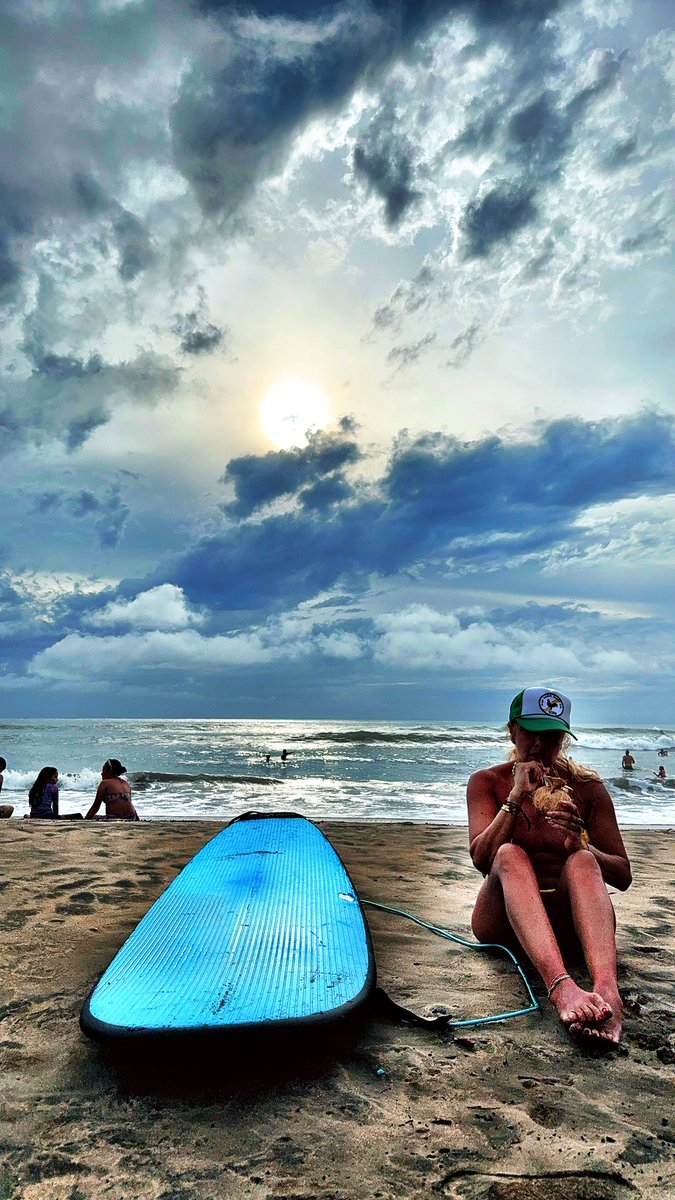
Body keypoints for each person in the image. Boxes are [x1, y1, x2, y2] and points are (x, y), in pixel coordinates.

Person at [467, 686, 631, 1048]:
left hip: (572, 927)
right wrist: (515, 797)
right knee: (509, 854)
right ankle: (561, 988)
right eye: (531, 734)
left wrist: (582, 843)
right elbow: (481, 859)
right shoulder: (488, 783)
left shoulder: (587, 789)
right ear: (513, 731)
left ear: (564, 739)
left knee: (584, 859)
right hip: (505, 922)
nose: (540, 746)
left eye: (551, 736)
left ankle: (608, 990)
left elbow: (622, 874)